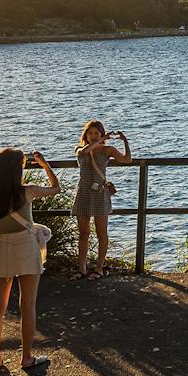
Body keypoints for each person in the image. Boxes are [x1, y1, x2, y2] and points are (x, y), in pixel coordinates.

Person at [0, 146, 61, 374]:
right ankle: (26, 357)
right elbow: (56, 188)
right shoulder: (26, 191)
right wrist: (45, 165)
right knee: (27, 305)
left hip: (3, 247)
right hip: (26, 247)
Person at [73, 119, 131, 279]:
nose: (93, 136)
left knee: (101, 233)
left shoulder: (107, 150)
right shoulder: (80, 148)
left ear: (101, 133)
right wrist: (100, 140)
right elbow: (82, 153)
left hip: (100, 194)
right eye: (90, 133)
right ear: (85, 134)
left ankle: (99, 268)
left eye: (96, 133)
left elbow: (127, 159)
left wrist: (125, 142)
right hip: (84, 193)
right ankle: (82, 268)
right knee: (83, 233)